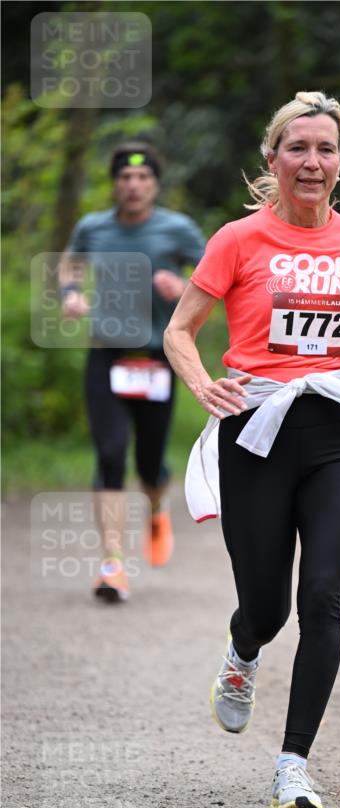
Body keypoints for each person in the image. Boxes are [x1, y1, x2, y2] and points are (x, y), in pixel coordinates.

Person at [164, 91, 340, 808]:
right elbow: (181, 330)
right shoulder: (237, 240)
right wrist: (202, 383)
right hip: (258, 430)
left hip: (336, 428)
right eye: (298, 148)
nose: (312, 162)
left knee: (324, 595)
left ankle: (293, 766)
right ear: (272, 158)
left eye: (326, 149)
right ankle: (242, 652)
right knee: (269, 606)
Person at [59, 142, 206, 602]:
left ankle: (157, 506)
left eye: (143, 178)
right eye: (125, 178)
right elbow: (71, 262)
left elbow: (217, 279)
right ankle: (112, 565)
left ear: (156, 185)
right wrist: (69, 293)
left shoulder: (177, 229)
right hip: (107, 355)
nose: (134, 185)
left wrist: (182, 286)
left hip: (157, 358)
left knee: (148, 464)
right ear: (115, 184)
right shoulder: (93, 227)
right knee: (109, 452)